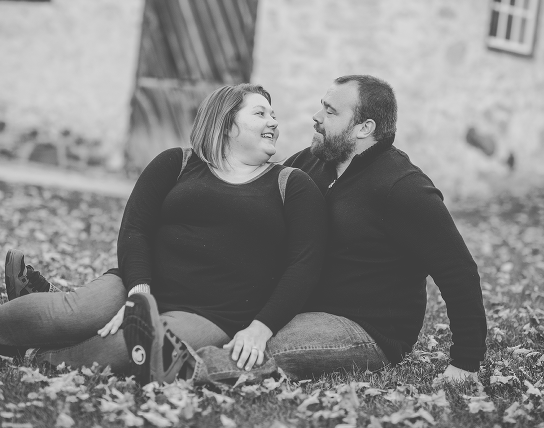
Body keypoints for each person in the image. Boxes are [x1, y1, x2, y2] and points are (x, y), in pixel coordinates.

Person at [0, 83, 327, 383]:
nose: (273, 122)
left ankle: (30, 351)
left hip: (212, 312)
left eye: (274, 115)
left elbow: (304, 265)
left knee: (117, 351)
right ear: (226, 122)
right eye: (260, 113)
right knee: (66, 314)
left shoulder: (291, 185)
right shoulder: (177, 163)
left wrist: (261, 327)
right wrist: (139, 291)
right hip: (140, 282)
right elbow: (135, 228)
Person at [156, 74, 488, 385]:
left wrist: (465, 361)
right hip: (297, 304)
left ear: (364, 127)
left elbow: (458, 271)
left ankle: (175, 368)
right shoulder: (311, 162)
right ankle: (156, 349)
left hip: (361, 326)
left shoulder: (403, 187)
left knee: (261, 348)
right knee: (243, 326)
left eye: (330, 111)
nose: (316, 117)